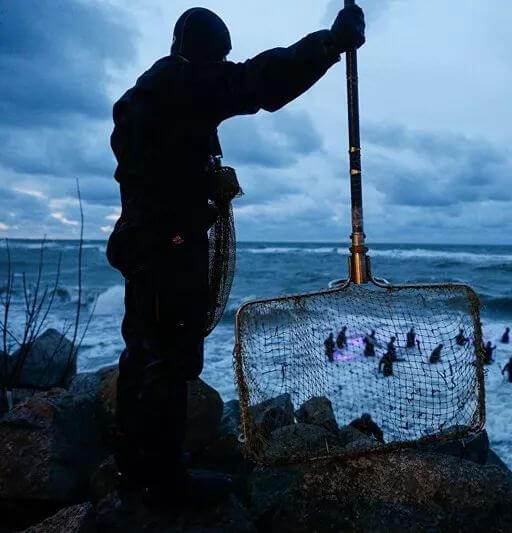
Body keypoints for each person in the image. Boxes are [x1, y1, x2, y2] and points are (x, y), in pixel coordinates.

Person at [105, 4, 365, 502]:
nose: (225, 65)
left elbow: (156, 166)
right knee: (170, 357)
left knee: (143, 350)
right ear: (201, 53)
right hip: (169, 246)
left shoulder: (143, 97)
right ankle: (162, 484)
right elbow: (258, 81)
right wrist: (328, 46)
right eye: (220, 56)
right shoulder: (182, 86)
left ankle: (134, 468)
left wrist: (199, 177)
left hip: (143, 242)